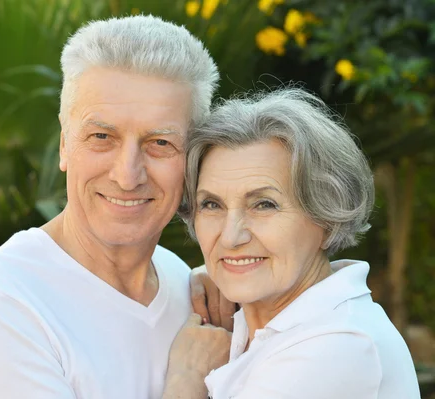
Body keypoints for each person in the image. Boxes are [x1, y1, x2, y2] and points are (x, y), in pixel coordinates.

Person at [0, 15, 232, 399]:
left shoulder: (187, 289)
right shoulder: (2, 301)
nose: (127, 175)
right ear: (63, 144)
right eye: (101, 136)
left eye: (160, 143)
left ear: (193, 159)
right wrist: (187, 382)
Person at [164, 88, 421, 398]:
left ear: (327, 217)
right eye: (212, 205)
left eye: (264, 205)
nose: (231, 237)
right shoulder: (257, 317)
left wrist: (187, 379)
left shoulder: (336, 347)